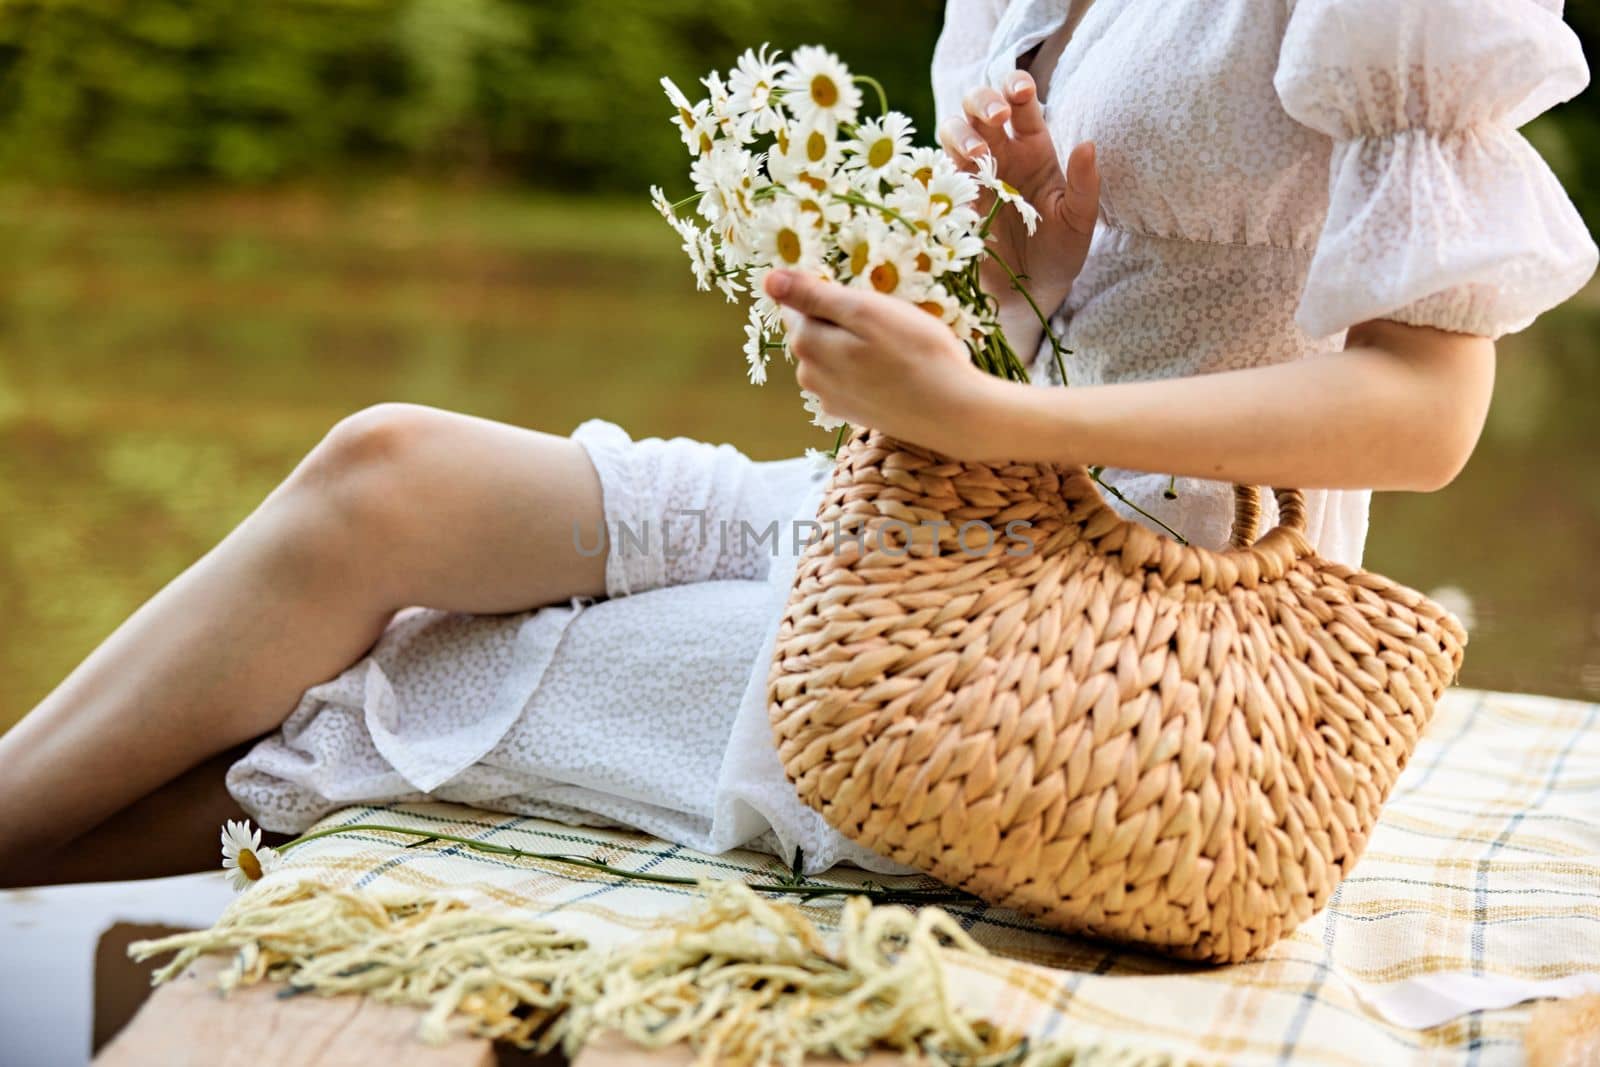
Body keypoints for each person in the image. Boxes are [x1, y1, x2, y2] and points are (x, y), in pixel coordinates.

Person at [1, 0, 1593, 886]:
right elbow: (1083, 332)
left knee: (400, 687)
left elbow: (1430, 415)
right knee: (388, 474)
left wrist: (995, 411)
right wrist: (1030, 277)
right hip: (975, 507)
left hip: (1149, 642)